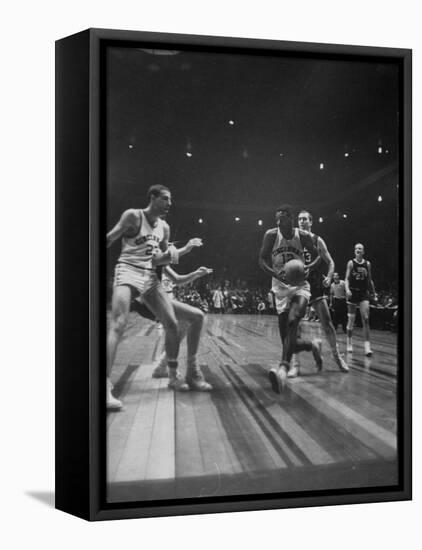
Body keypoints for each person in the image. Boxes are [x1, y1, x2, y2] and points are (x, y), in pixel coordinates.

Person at [106, 184, 203, 410]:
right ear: (152, 197)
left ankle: (171, 374)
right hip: (127, 269)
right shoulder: (133, 216)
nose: (170, 203)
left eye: (171, 200)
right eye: (166, 199)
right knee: (119, 323)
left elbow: (158, 259)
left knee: (172, 323)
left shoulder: (165, 228)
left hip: (149, 276)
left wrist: (179, 252)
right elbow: (110, 238)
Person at [258, 204, 322, 394]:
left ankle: (283, 371)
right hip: (280, 288)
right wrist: (276, 274)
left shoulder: (302, 236)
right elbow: (261, 259)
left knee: (294, 321)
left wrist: (310, 266)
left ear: (290, 219)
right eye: (276, 219)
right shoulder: (271, 235)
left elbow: (318, 257)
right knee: (287, 340)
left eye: (282, 219)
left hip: (300, 286)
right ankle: (312, 345)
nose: (279, 222)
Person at [131, 265, 213, 384]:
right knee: (190, 320)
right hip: (148, 300)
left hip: (153, 300)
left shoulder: (160, 260)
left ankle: (163, 367)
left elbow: (177, 279)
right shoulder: (149, 256)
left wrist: (196, 273)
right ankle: (180, 371)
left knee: (184, 323)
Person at [293, 211, 348, 376]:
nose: (302, 221)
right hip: (298, 285)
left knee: (327, 324)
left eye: (305, 219)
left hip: (315, 285)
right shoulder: (292, 239)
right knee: (295, 325)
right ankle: (295, 364)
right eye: (300, 219)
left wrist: (330, 277)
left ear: (311, 222)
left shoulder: (317, 240)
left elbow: (330, 262)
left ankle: (337, 357)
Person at [344, 243, 377, 356]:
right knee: (351, 320)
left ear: (363, 252)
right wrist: (347, 289)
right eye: (356, 248)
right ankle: (349, 343)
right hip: (353, 292)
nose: (358, 250)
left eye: (360, 248)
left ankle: (367, 347)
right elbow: (347, 279)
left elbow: (369, 280)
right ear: (354, 251)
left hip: (363, 293)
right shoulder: (351, 263)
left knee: (366, 318)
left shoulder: (367, 264)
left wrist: (374, 293)